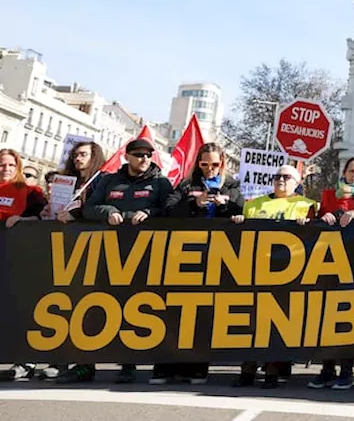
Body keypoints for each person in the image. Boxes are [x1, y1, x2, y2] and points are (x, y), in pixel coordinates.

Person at [82, 136, 173, 384]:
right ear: (127, 156)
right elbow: (88, 208)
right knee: (95, 305)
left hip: (145, 255)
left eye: (148, 155)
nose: (144, 159)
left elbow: (171, 211)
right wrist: (108, 211)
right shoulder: (109, 180)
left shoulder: (161, 183)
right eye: (138, 155)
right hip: (107, 253)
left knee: (137, 309)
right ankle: (84, 364)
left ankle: (128, 364)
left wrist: (148, 213)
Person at [155, 143, 243, 386]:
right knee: (174, 310)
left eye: (215, 164)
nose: (210, 169)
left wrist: (224, 205)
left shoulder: (231, 185)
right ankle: (166, 366)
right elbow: (168, 210)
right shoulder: (186, 184)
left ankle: (197, 367)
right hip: (183, 251)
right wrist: (194, 203)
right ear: (198, 163)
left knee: (204, 313)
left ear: (222, 163)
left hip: (217, 254)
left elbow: (240, 211)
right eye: (205, 164)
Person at [231, 165, 315, 388]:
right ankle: (247, 370)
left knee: (278, 324)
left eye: (286, 177)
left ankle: (272, 371)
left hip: (288, 273)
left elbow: (320, 233)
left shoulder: (307, 206)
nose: (280, 180)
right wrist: (239, 222)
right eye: (277, 176)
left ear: (297, 182)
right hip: (255, 270)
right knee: (252, 322)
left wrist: (310, 224)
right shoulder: (254, 204)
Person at [310, 157, 354, 391]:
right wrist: (324, 218)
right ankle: (327, 369)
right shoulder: (329, 195)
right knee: (327, 318)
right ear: (344, 172)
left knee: (349, 319)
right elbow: (316, 222)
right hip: (328, 263)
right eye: (351, 170)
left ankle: (347, 370)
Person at [50, 140, 106, 385]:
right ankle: (60, 360)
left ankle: (85, 364)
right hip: (63, 249)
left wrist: (76, 214)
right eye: (75, 155)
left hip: (91, 249)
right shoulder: (66, 182)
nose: (77, 159)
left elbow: (98, 209)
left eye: (83, 154)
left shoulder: (102, 181)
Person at [0, 149, 49, 382]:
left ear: (18, 167)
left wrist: (23, 219)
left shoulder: (30, 192)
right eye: (2, 165)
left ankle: (25, 361)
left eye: (11, 165)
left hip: (18, 259)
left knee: (19, 310)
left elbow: (44, 217)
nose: (6, 169)